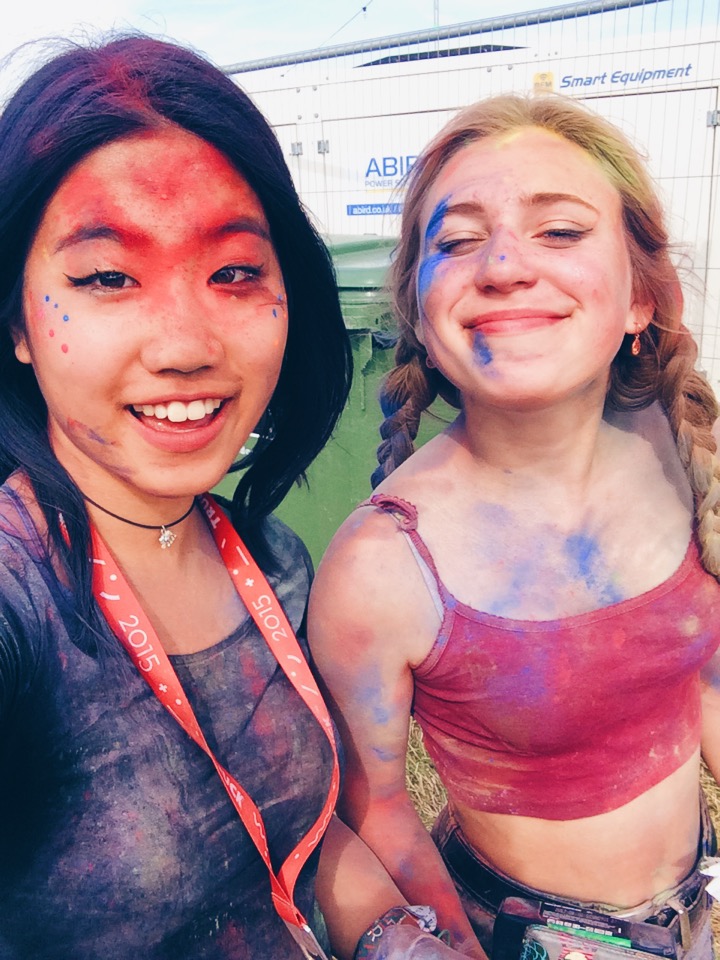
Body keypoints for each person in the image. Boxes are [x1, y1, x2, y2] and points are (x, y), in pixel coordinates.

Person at [0, 35, 473, 960]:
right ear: (16, 319)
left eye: (233, 272)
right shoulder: (20, 603)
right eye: (107, 277)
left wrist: (406, 941)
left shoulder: (272, 560)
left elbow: (293, 835)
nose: (186, 346)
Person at [308, 93, 720, 960]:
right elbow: (376, 808)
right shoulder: (381, 564)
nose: (502, 264)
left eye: (560, 231)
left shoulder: (685, 459)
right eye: (458, 240)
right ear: (420, 315)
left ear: (643, 298)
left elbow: (703, 682)